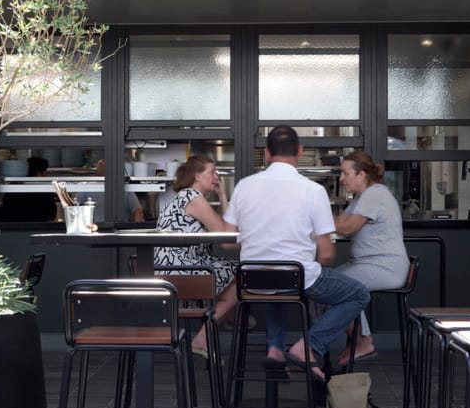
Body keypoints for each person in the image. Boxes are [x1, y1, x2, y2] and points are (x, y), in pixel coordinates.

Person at [222, 124, 369, 379]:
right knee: (358, 294)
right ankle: (308, 346)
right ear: (300, 151)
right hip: (295, 278)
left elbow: (228, 241)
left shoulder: (244, 186)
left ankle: (275, 350)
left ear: (267, 153)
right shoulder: (313, 190)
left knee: (274, 281)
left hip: (251, 279)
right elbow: (326, 254)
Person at [154, 155, 239, 356]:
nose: (216, 177)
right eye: (212, 171)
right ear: (197, 176)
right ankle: (214, 329)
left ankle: (208, 334)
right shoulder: (192, 197)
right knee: (242, 273)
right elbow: (227, 239)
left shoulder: (186, 196)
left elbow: (226, 232)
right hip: (176, 272)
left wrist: (223, 196)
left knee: (236, 281)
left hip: (174, 268)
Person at [333, 150, 408, 366]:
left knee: (333, 287)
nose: (341, 179)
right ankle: (354, 340)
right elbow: (339, 222)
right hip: (369, 263)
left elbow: (346, 227)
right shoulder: (361, 199)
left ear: (361, 175)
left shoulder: (375, 194)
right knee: (323, 284)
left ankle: (362, 341)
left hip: (384, 266)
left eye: (345, 173)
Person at [0, 155, 58, 223]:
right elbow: (51, 215)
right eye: (45, 172)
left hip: (11, 228)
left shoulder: (14, 186)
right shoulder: (44, 190)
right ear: (39, 173)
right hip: (36, 228)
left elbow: (5, 211)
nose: (45, 175)